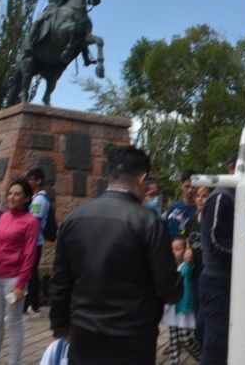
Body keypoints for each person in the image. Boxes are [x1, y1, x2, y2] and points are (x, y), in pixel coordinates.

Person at [48, 145, 182, 365]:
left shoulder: (74, 219)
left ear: (110, 176)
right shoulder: (149, 222)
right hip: (133, 342)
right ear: (142, 179)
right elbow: (169, 290)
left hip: (83, 338)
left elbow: (59, 284)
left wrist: (61, 326)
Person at [0, 177, 40, 365]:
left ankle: (14, 362)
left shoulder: (30, 222)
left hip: (13, 279)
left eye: (17, 194)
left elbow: (30, 254)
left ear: (26, 198)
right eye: (10, 193)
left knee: (14, 322)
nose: (12, 197)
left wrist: (21, 284)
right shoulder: (3, 217)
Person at [199, 156, 236, 365]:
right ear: (231, 168)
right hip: (217, 283)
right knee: (216, 347)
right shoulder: (222, 196)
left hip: (224, 283)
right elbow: (216, 241)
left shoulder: (234, 195)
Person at [181, 186, 211, 358]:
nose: (200, 199)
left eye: (205, 196)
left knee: (201, 322)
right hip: (194, 276)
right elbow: (188, 242)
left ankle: (206, 355)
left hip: (208, 276)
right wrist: (187, 252)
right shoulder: (191, 221)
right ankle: (203, 356)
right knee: (196, 322)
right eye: (199, 196)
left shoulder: (213, 220)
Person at [162, 236, 200, 365]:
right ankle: (174, 362)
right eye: (172, 249)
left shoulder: (186, 266)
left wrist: (189, 252)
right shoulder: (170, 267)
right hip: (172, 307)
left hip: (183, 307)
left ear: (185, 251)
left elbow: (189, 263)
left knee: (185, 338)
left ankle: (202, 358)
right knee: (173, 339)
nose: (174, 252)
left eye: (177, 249)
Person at [24, 167, 48, 319]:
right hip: (33, 241)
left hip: (35, 241)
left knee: (31, 273)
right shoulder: (34, 198)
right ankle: (33, 305)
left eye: (30, 179)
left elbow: (33, 221)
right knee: (31, 273)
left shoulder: (39, 199)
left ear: (38, 181)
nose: (28, 182)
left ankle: (33, 306)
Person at [165, 169, 199, 238]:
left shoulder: (201, 208)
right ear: (181, 185)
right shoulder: (173, 208)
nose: (190, 190)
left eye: (193, 187)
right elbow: (168, 233)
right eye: (187, 186)